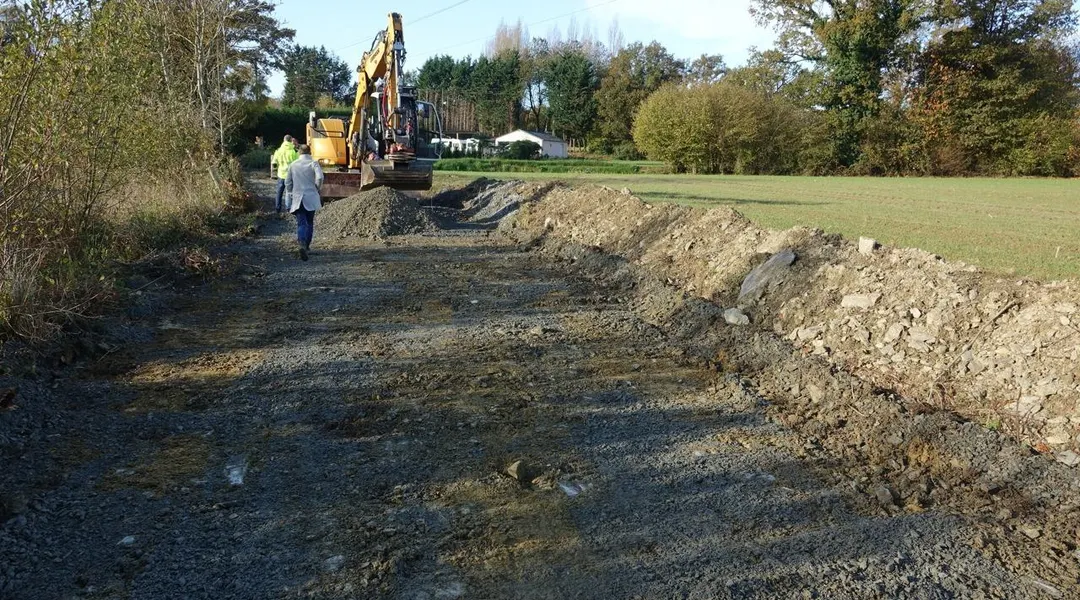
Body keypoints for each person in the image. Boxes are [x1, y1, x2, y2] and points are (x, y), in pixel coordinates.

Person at [284, 144, 323, 261]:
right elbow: (320, 177)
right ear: (309, 152)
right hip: (311, 196)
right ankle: (307, 245)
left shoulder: (293, 165)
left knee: (301, 223)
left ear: (299, 152)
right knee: (310, 222)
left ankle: (301, 243)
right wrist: (317, 188)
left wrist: (290, 192)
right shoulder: (314, 163)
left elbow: (287, 182)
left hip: (298, 197)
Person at [270, 135, 299, 213]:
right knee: (289, 192)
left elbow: (274, 163)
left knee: (279, 191)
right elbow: (298, 163)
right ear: (291, 141)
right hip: (291, 175)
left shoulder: (278, 150)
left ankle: (277, 208)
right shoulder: (294, 151)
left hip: (281, 174)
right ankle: (288, 208)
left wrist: (276, 170)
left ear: (284, 140)